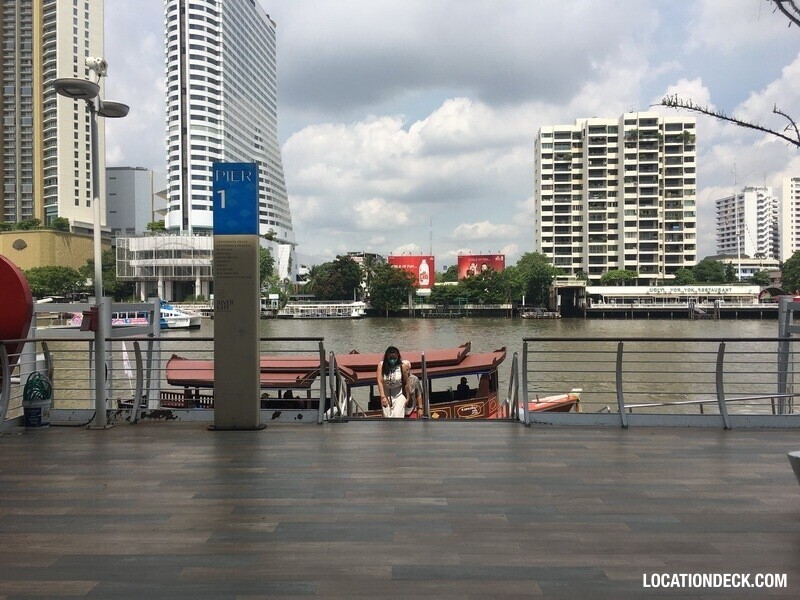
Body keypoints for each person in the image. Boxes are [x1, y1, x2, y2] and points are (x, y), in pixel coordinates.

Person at [376, 346, 411, 418]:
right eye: (390, 358)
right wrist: (383, 397)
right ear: (386, 357)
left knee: (397, 416)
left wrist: (408, 397)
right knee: (387, 417)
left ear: (398, 356)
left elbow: (406, 383)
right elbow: (379, 381)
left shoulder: (402, 366)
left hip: (398, 395)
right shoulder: (381, 365)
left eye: (394, 358)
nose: (392, 360)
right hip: (386, 395)